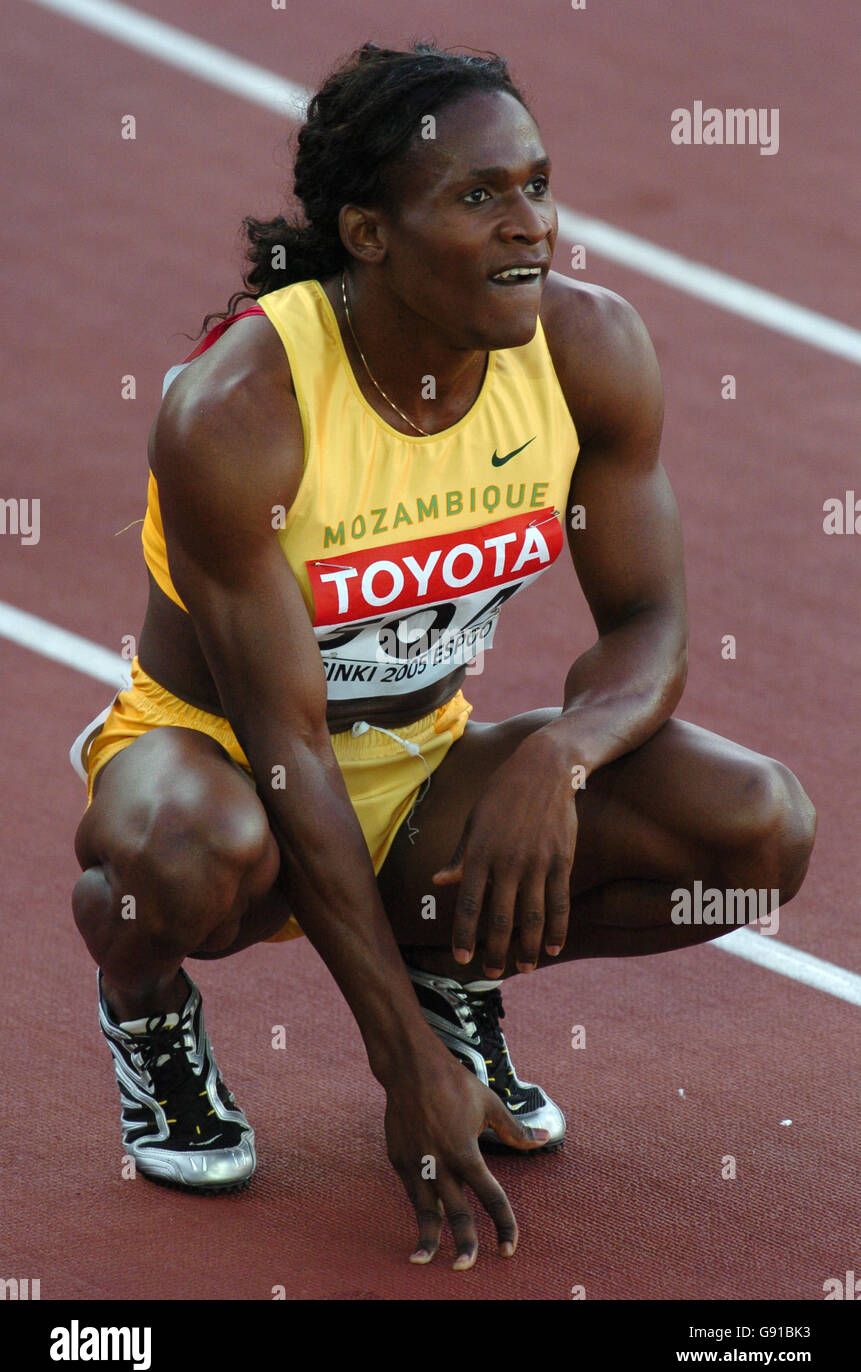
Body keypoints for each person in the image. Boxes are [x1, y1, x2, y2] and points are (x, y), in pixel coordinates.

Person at [70, 42, 816, 1272]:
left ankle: (444, 960)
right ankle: (145, 1006)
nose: (530, 225)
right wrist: (402, 1070)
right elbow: (287, 750)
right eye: (479, 197)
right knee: (187, 859)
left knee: (757, 828)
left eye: (537, 184)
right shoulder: (242, 410)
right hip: (223, 765)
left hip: (419, 769)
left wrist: (561, 756)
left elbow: (649, 628)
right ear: (368, 231)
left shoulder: (586, 353)